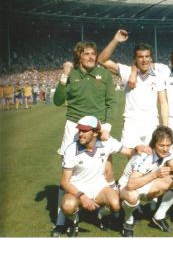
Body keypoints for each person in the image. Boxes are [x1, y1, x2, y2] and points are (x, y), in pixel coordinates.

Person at [52, 40, 116, 236]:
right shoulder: (71, 75)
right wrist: (64, 76)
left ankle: (103, 213)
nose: (90, 57)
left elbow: (112, 102)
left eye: (93, 54)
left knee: (106, 169)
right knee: (67, 173)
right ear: (79, 56)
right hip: (74, 126)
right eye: (86, 54)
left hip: (98, 127)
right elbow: (58, 101)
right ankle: (62, 221)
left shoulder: (104, 74)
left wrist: (106, 126)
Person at [59, 116, 140, 237]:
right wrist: (82, 197)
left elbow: (129, 152)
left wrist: (139, 148)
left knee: (116, 205)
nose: (80, 134)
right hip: (77, 188)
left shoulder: (107, 143)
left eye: (85, 131)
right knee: (67, 206)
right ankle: (74, 221)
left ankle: (101, 214)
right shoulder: (71, 150)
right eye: (80, 130)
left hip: (99, 187)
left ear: (96, 133)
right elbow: (64, 182)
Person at [97, 29, 169, 150]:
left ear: (151, 58)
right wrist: (115, 40)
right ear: (135, 59)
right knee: (131, 160)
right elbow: (102, 60)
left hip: (151, 122)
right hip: (131, 123)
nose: (144, 60)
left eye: (147, 56)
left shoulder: (159, 75)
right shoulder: (126, 72)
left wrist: (165, 127)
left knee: (152, 161)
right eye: (140, 57)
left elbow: (163, 103)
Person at [118, 126, 173, 237]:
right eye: (161, 145)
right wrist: (155, 175)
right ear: (154, 144)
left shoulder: (167, 151)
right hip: (126, 187)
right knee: (133, 196)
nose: (165, 149)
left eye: (168, 145)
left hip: (146, 184)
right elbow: (130, 185)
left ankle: (159, 217)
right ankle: (128, 222)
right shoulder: (145, 157)